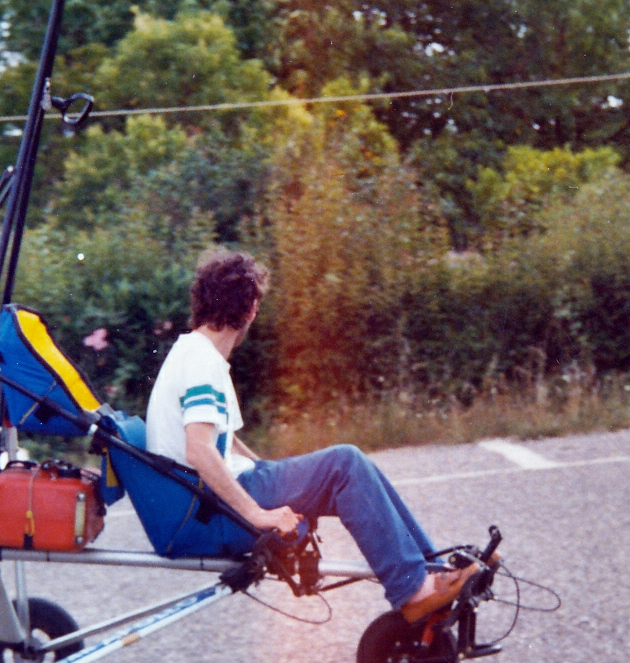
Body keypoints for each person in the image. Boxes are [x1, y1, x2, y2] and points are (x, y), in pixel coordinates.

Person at [145, 251, 483, 624]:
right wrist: (259, 513)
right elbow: (199, 449)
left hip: (204, 502)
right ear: (252, 309)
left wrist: (282, 476)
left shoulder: (195, 352)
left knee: (352, 468)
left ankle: (433, 574)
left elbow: (227, 441)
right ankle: (414, 590)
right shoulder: (202, 362)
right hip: (207, 512)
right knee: (345, 464)